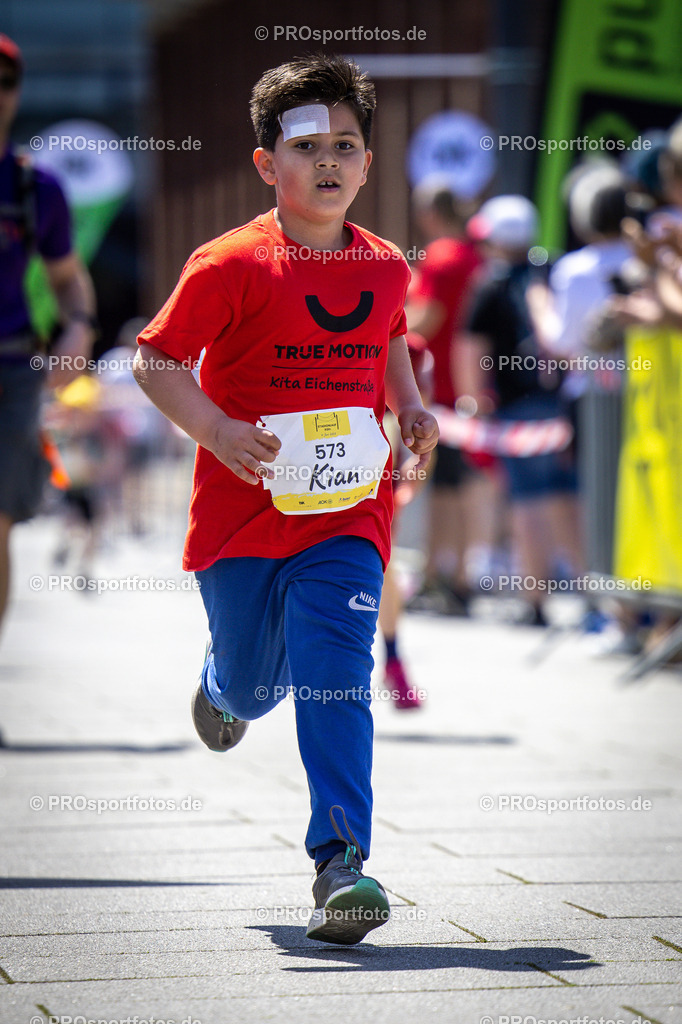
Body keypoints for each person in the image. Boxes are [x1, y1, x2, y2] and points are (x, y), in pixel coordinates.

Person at [133, 54, 438, 945]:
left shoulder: (385, 266)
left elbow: (388, 337)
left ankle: (341, 862)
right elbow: (155, 361)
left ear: (369, 162)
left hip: (351, 513)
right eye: (307, 146)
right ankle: (224, 689)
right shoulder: (227, 264)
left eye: (347, 144)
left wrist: (410, 405)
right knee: (258, 681)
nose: (329, 161)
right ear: (269, 163)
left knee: (338, 675)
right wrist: (220, 432)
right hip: (242, 517)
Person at [0, 34, 96, 636]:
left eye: (4, 82)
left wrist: (78, 329)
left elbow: (68, 281)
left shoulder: (36, 190)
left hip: (11, 373)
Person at [461, 195, 582, 626]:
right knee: (566, 495)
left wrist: (474, 404)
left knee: (529, 501)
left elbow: (471, 348)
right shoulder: (548, 269)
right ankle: (595, 597)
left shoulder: (490, 283)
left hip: (517, 412)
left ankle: (534, 600)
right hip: (563, 405)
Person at [404, 180, 492, 615]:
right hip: (467, 387)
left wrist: (381, 325)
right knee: (454, 486)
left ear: (428, 213)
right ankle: (451, 577)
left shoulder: (441, 256)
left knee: (440, 487)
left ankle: (440, 578)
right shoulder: (475, 256)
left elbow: (428, 319)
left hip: (439, 389)